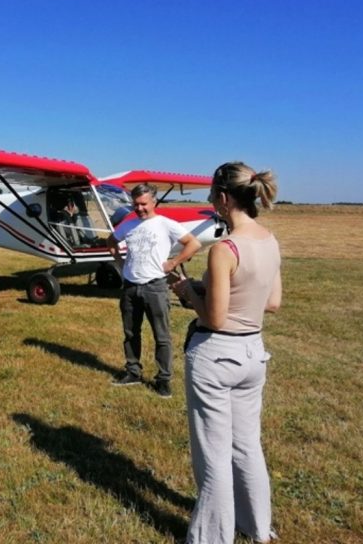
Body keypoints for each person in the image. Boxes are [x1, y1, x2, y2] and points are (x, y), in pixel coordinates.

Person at [172, 162, 282, 543]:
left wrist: (188, 292)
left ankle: (210, 537)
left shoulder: (224, 249)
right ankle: (257, 526)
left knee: (213, 456)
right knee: (247, 446)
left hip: (216, 357)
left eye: (211, 197)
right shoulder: (270, 240)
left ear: (222, 197)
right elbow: (273, 302)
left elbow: (216, 318)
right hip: (254, 352)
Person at [107, 184, 202, 397]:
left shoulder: (166, 224)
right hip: (131, 286)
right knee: (131, 333)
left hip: (156, 287)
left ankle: (163, 379)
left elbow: (193, 243)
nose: (139, 208)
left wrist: (174, 262)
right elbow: (112, 240)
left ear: (154, 202)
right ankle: (133, 371)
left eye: (144, 204)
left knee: (162, 335)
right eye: (136, 204)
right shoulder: (128, 225)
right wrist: (119, 262)